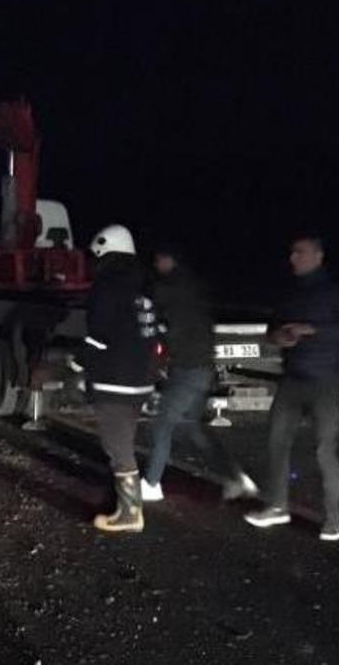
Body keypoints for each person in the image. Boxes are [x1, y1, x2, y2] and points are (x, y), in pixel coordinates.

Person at [244, 234, 339, 542]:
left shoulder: (336, 291)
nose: (293, 258)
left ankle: (333, 519)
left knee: (324, 449)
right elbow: (272, 331)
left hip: (325, 382)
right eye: (292, 253)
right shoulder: (289, 292)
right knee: (276, 442)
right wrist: (279, 338)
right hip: (292, 380)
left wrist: (311, 329)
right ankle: (276, 506)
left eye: (299, 253)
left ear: (318, 256)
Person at [141, 246, 257, 503]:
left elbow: (159, 312)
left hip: (189, 369)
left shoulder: (174, 287)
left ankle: (150, 483)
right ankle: (236, 477)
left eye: (160, 257)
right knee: (193, 428)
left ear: (171, 258)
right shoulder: (192, 287)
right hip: (200, 368)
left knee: (163, 425)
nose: (157, 263)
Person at [77, 225, 160, 533]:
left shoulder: (108, 285)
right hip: (140, 379)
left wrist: (77, 363)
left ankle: (130, 513)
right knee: (124, 440)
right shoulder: (143, 286)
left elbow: (98, 334)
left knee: (117, 445)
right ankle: (124, 504)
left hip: (113, 378)